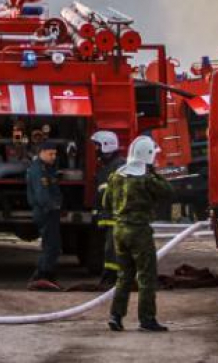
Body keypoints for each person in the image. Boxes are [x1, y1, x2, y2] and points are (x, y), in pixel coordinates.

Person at [105, 136, 172, 332]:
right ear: (148, 156)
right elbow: (168, 192)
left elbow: (106, 203)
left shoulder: (116, 176)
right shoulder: (147, 180)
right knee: (146, 276)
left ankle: (115, 316)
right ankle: (147, 319)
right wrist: (155, 172)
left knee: (124, 276)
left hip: (119, 231)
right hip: (139, 231)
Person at [91, 130, 126, 288]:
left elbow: (113, 195)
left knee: (113, 251)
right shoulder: (107, 167)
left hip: (116, 218)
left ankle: (111, 279)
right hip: (109, 218)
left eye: (97, 146)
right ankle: (111, 278)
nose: (96, 149)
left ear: (106, 146)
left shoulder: (118, 167)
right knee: (109, 250)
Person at [26, 141, 63, 290]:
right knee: (51, 245)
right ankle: (43, 276)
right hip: (45, 212)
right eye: (50, 154)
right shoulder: (38, 170)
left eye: (55, 154)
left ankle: (46, 275)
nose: (53, 157)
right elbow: (42, 193)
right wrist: (51, 206)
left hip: (50, 211)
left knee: (53, 245)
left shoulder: (47, 168)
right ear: (41, 153)